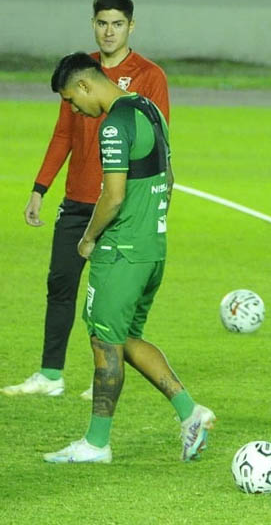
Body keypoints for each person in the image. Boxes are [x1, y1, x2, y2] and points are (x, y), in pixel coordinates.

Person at [42, 52, 212, 464]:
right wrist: (149, 224)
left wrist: (88, 239)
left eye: (69, 100)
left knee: (104, 343)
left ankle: (96, 443)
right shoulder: (148, 108)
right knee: (126, 339)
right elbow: (168, 178)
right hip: (152, 249)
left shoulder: (114, 124)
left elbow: (113, 195)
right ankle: (191, 412)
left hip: (121, 253)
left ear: (84, 86)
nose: (73, 109)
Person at [9, 0, 169, 400]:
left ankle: (105, 371)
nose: (108, 31)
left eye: (117, 24)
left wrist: (155, 204)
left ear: (131, 26)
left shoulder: (149, 76)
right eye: (101, 23)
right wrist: (40, 188)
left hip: (120, 204)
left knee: (112, 297)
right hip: (78, 200)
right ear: (93, 24)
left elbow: (158, 140)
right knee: (61, 284)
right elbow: (63, 133)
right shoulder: (79, 72)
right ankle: (50, 373)